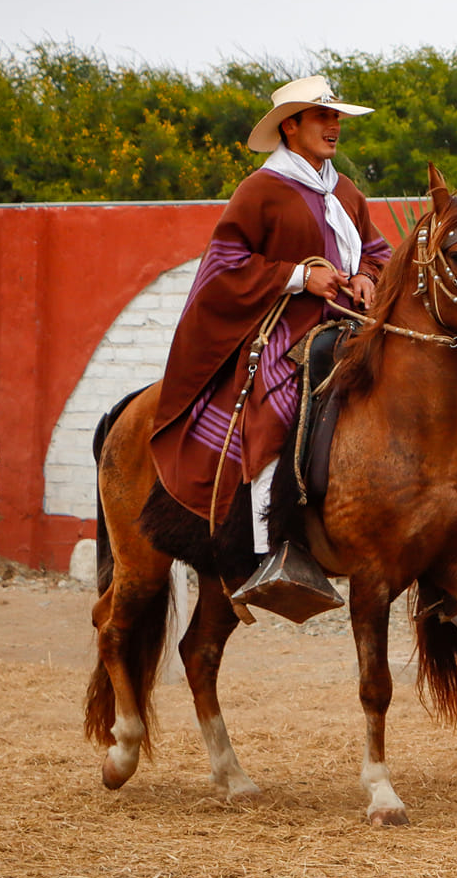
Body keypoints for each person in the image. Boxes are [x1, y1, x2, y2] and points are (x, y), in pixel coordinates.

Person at [150, 75, 390, 583]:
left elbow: (377, 250)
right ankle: (272, 549)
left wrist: (368, 277)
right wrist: (300, 275)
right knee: (278, 412)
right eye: (323, 116)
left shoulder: (343, 190)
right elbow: (224, 266)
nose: (335, 125)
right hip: (285, 332)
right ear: (291, 125)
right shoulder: (261, 189)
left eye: (336, 116)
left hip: (349, 328)